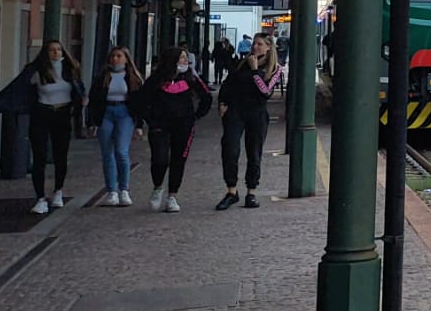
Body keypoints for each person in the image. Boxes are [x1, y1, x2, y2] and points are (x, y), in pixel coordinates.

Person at [0, 41, 86, 215]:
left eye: (58, 49)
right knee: (39, 156)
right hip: (42, 113)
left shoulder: (70, 69)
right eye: (52, 50)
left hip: (62, 114)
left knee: (61, 155)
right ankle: (40, 198)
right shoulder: (36, 71)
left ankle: (58, 191)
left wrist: (81, 102)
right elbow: (19, 89)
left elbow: (79, 89)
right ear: (46, 53)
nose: (56, 53)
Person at [136, 47, 212, 213]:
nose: (186, 61)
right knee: (159, 159)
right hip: (160, 125)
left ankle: (172, 196)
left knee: (179, 159)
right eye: (182, 58)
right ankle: (157, 187)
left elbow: (206, 96)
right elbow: (141, 100)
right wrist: (149, 120)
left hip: (184, 125)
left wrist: (196, 116)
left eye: (186, 58)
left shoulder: (191, 78)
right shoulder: (156, 79)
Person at [216, 32, 284, 210]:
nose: (255, 47)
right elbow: (228, 84)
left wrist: (255, 71)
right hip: (236, 111)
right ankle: (231, 190)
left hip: (257, 113)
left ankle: (251, 192)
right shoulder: (242, 63)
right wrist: (222, 102)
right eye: (254, 43)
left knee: (254, 152)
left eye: (260, 44)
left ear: (268, 47)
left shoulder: (275, 69)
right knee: (230, 148)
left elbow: (265, 92)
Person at [85, 45, 141, 207]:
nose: (115, 59)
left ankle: (124, 189)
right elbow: (93, 100)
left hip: (124, 113)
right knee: (107, 153)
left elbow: (139, 102)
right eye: (113, 56)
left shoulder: (133, 78)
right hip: (106, 113)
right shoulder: (102, 77)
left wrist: (139, 124)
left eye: (119, 56)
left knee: (121, 151)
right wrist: (91, 122)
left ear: (126, 59)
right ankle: (111, 191)